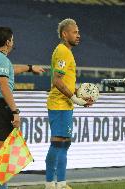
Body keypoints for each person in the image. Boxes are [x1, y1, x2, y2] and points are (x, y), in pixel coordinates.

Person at [0, 26, 45, 189]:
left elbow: (11, 70)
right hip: (0, 106)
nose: (13, 42)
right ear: (8, 42)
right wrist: (15, 111)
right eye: (12, 39)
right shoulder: (2, 60)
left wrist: (30, 68)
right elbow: (4, 86)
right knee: (5, 153)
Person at [45, 19, 93, 189]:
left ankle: (56, 183)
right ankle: (54, 184)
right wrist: (74, 98)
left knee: (64, 143)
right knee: (59, 142)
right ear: (65, 34)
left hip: (64, 105)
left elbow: (65, 80)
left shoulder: (66, 52)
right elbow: (57, 80)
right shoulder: (63, 52)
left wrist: (80, 94)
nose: (78, 35)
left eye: (78, 32)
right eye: (74, 32)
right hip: (60, 104)